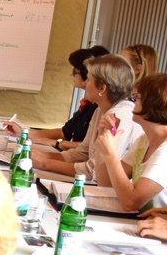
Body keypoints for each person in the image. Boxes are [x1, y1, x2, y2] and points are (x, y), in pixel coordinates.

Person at [31, 54, 141, 183]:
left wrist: (45, 163)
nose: (84, 83)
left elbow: (92, 171)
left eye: (88, 80)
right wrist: (44, 156)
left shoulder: (119, 116)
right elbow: (83, 153)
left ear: (102, 88)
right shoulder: (100, 110)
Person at [6, 45, 109, 149]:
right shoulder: (88, 104)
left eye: (75, 71)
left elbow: (89, 148)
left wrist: (57, 144)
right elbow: (65, 132)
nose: (71, 75)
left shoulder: (100, 108)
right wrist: (24, 132)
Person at [95, 73, 167, 212]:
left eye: (137, 98)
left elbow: (131, 202)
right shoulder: (145, 140)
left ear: (153, 103)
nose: (132, 103)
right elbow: (107, 184)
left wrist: (111, 155)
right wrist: (103, 138)